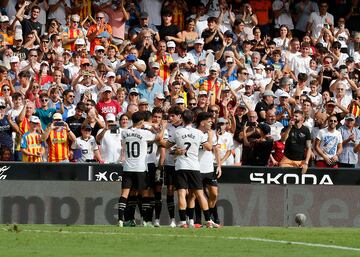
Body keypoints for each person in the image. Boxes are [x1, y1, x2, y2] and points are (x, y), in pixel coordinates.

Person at [160, 109, 220, 228]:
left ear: (182, 118)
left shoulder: (177, 132)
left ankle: (183, 222)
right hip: (194, 166)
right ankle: (208, 220)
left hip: (181, 166)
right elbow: (208, 147)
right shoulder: (198, 133)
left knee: (182, 194)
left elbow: (167, 145)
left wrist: (162, 141)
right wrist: (210, 137)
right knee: (200, 194)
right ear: (193, 120)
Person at [117, 111, 158, 227]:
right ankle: (145, 221)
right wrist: (156, 127)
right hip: (140, 168)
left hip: (128, 167)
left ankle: (121, 220)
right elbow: (158, 137)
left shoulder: (125, 132)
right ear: (141, 122)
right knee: (144, 194)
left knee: (126, 194)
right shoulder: (144, 133)